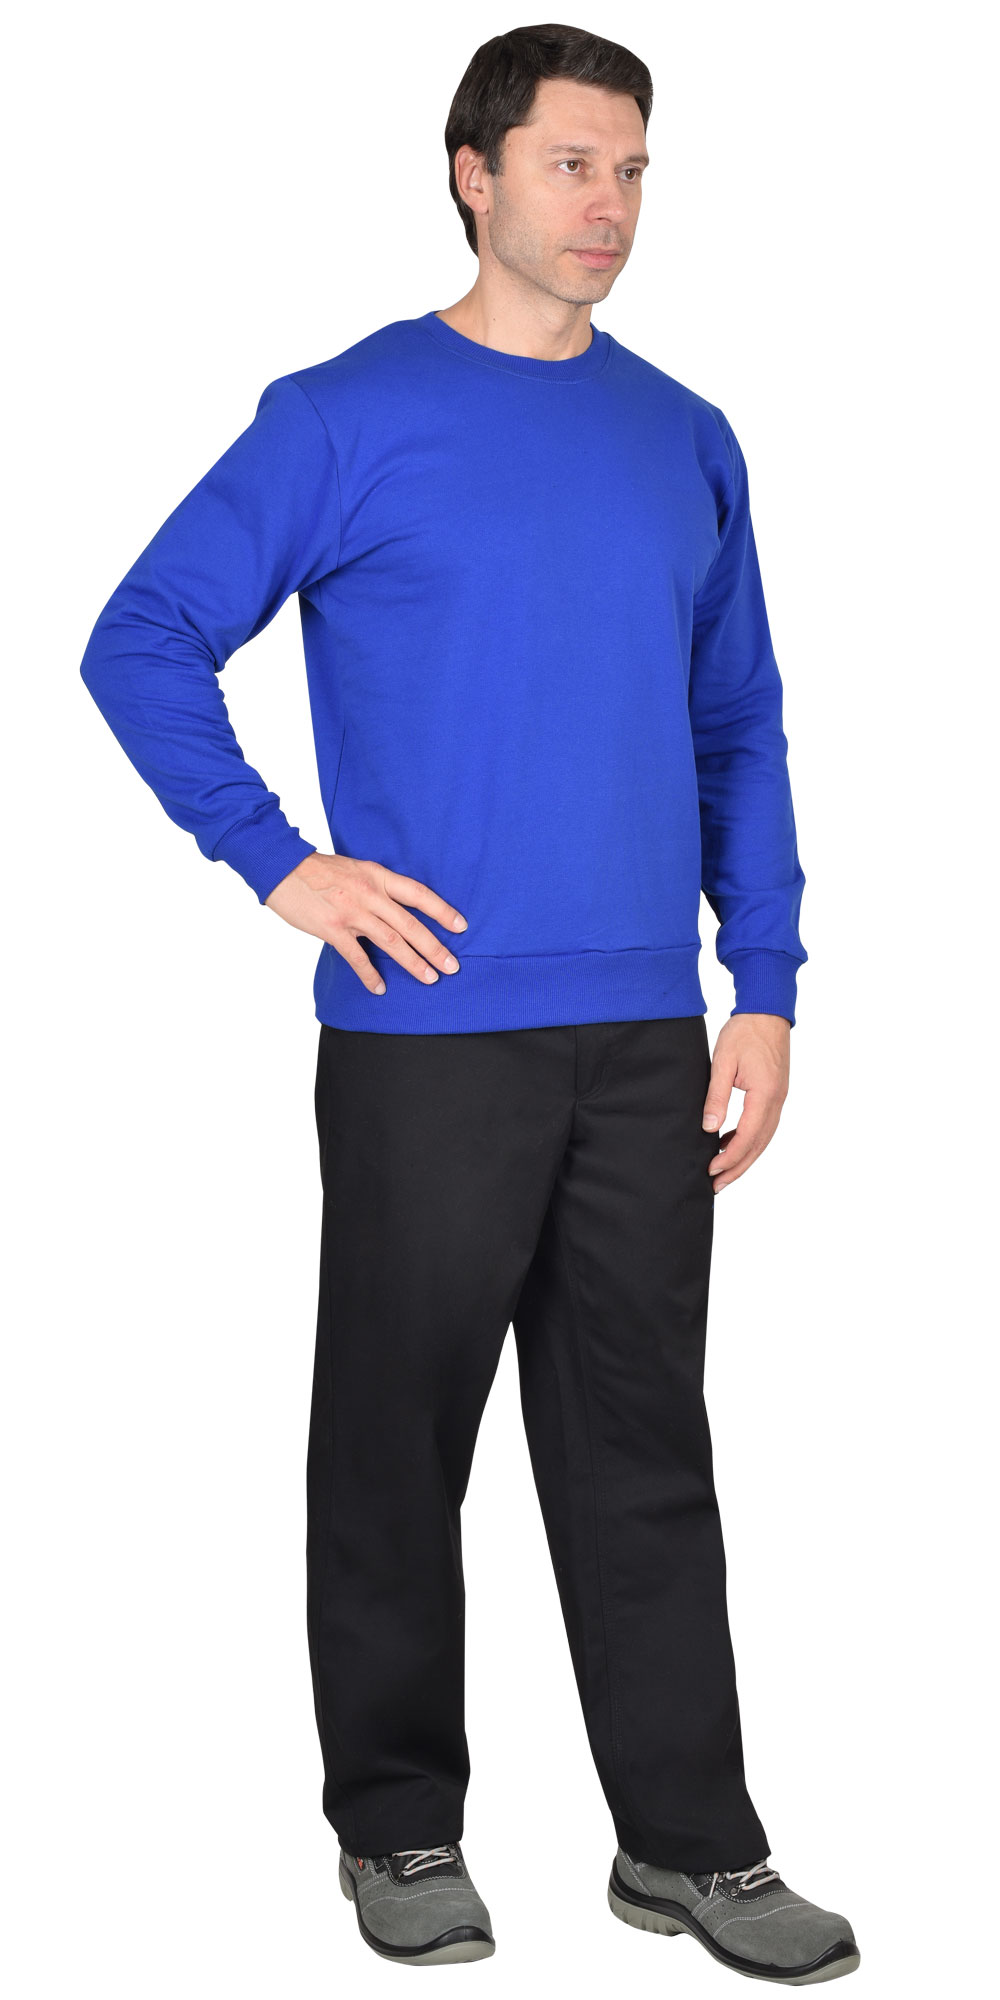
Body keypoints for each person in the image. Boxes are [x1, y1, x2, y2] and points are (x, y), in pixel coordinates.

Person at [79, 22, 859, 1986]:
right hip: (426, 1034)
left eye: (633, 170)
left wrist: (760, 984)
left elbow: (740, 724)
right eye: (572, 164)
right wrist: (282, 862)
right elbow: (143, 635)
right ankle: (398, 1825)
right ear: (473, 173)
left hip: (641, 1036)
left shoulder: (683, 433)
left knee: (641, 1443)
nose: (609, 205)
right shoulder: (345, 414)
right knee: (394, 1443)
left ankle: (689, 1844)